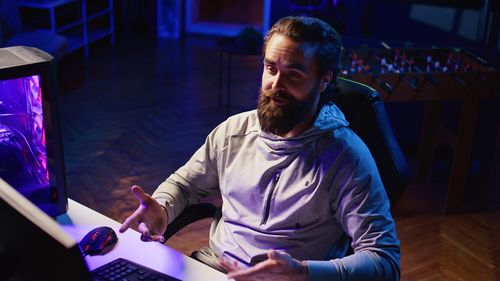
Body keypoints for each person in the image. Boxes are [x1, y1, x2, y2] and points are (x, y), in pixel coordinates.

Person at [120, 16, 400, 281]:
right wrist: (164, 208)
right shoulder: (233, 132)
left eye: (293, 74)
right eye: (271, 68)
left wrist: (305, 272)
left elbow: (384, 260)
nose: (275, 84)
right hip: (214, 267)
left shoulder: (347, 158)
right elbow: (185, 186)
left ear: (323, 80)